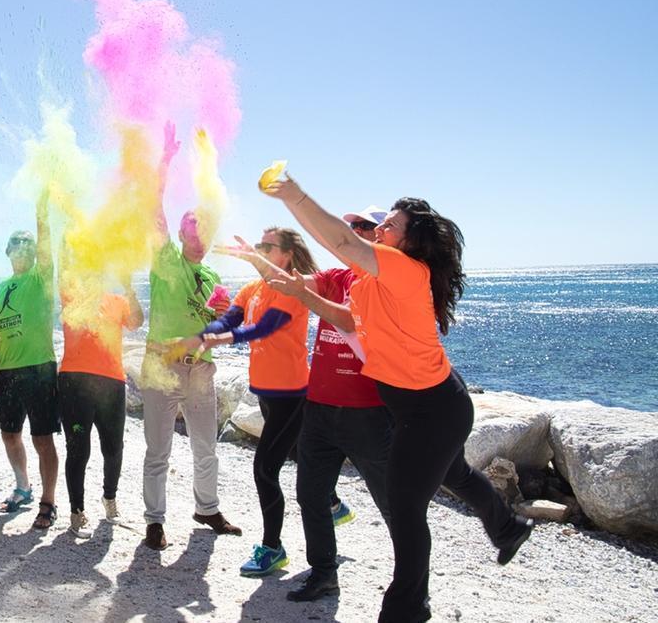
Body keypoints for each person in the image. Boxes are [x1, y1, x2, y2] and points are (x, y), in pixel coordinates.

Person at [264, 176, 533, 623]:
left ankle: (406, 609)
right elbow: (347, 316)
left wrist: (293, 194)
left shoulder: (405, 270)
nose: (379, 230)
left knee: (406, 506)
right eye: (382, 224)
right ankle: (508, 528)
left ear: (410, 241)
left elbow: (340, 240)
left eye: (390, 225)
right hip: (425, 405)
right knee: (457, 474)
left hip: (432, 411)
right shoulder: (374, 282)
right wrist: (298, 291)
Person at [219, 206, 395, 602]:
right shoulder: (334, 277)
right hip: (319, 403)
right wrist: (258, 262)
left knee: (393, 502)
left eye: (364, 227)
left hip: (366, 410)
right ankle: (323, 573)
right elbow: (285, 286)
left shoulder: (387, 281)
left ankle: (412, 586)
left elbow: (350, 320)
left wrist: (293, 289)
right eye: (350, 227)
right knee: (310, 493)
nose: (353, 233)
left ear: (381, 236)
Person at [192, 227, 328, 577]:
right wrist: (207, 331)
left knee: (265, 470)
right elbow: (232, 318)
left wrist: (225, 338)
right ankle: (333, 501)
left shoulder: (293, 289)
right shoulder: (252, 288)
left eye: (268, 246)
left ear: (286, 255)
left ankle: (273, 548)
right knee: (297, 454)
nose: (259, 249)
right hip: (265, 391)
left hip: (291, 393)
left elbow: (265, 327)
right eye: (259, 244)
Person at [140, 123, 240, 551]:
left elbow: (223, 327)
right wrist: (164, 160)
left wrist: (226, 318)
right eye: (192, 231)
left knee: (207, 447)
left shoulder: (213, 275)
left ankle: (207, 507)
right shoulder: (166, 260)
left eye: (205, 232)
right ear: (180, 235)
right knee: (158, 451)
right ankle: (154, 521)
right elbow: (152, 207)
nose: (199, 239)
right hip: (161, 366)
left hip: (200, 370)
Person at [57, 264, 144, 538]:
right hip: (75, 385)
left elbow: (136, 322)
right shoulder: (71, 297)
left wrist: (130, 288)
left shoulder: (117, 301)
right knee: (78, 448)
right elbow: (63, 263)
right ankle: (77, 512)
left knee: (113, 447)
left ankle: (110, 500)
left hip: (111, 384)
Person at [0, 191, 62, 531]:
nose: (22, 248)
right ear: (7, 252)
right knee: (9, 434)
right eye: (16, 244)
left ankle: (48, 502)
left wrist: (41, 210)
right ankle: (23, 487)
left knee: (42, 438)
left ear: (35, 253)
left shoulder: (40, 276)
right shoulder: (3, 285)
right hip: (7, 371)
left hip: (39, 368)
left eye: (28, 244)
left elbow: (46, 243)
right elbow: (1, 327)